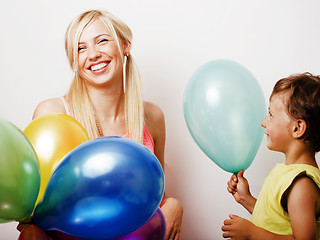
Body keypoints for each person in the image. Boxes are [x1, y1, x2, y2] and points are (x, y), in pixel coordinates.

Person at [31, 9, 183, 240]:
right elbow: (33, 214)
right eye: (81, 48)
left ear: (124, 45)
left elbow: (154, 194)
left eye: (102, 41)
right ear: (74, 60)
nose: (92, 54)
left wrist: (174, 205)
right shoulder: (54, 114)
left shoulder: (152, 116)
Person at [221, 72, 320, 239]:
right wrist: (247, 199)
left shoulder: (301, 184)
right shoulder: (286, 172)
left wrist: (252, 233)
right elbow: (276, 221)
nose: (263, 122)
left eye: (271, 115)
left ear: (297, 128)